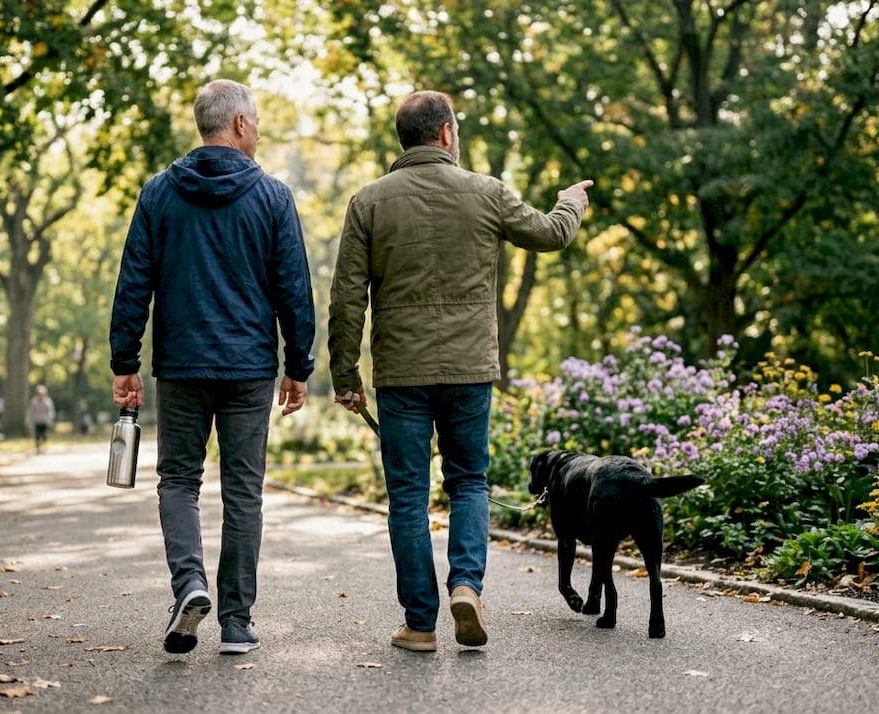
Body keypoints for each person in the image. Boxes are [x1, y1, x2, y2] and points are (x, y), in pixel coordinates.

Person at [328, 90, 592, 652]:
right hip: (470, 370)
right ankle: (467, 585)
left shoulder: (368, 202)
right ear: (446, 133)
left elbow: (347, 298)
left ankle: (420, 624)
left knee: (407, 496)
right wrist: (571, 201)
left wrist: (345, 375)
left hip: (400, 373)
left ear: (405, 137)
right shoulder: (487, 192)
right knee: (469, 481)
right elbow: (552, 233)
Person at [109, 79, 315, 656]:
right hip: (249, 368)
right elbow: (293, 289)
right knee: (244, 491)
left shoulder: (158, 193)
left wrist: (125, 359)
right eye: (259, 121)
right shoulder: (273, 196)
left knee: (178, 480)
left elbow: (134, 282)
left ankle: (189, 586)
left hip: (180, 365)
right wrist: (298, 365)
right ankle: (236, 622)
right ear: (241, 125)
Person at [25, 385, 56, 453]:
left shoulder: (48, 401)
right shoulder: (34, 402)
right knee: (37, 435)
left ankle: (43, 444)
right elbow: (30, 412)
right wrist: (29, 421)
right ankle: (38, 448)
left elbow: (51, 412)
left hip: (45, 421)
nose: (40, 395)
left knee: (44, 435)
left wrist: (51, 420)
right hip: (37, 421)